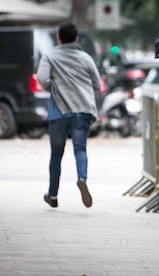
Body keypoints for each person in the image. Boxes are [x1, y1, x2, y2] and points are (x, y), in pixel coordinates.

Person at [37, 21, 100, 209]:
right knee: (80, 149)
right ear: (76, 38)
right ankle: (82, 178)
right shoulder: (85, 58)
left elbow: (42, 80)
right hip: (82, 110)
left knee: (56, 155)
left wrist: (56, 86)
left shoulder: (49, 57)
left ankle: (53, 195)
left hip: (59, 112)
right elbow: (97, 83)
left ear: (58, 37)